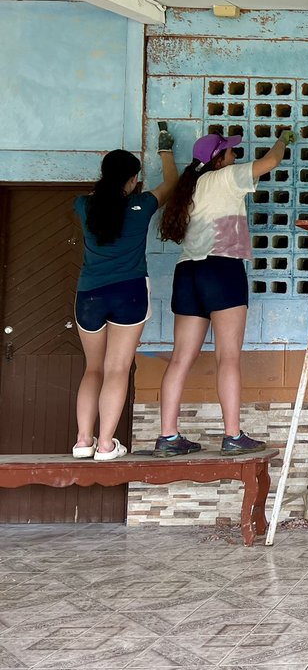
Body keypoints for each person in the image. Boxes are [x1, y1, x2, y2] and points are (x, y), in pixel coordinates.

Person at [155, 129, 293, 456]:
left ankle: (168, 437)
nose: (235, 156)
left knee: (179, 360)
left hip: (188, 272)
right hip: (222, 269)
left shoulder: (187, 187)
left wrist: (164, 151)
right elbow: (271, 161)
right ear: (219, 159)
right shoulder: (226, 177)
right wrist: (285, 139)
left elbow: (171, 175)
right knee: (227, 357)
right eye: (230, 152)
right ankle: (232, 436)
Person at [72, 128, 179, 461]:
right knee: (117, 368)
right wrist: (165, 152)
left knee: (93, 369)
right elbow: (171, 183)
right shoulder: (142, 205)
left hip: (89, 295)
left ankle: (82, 441)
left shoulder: (83, 205)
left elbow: (100, 196)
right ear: (133, 179)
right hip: (129, 293)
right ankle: (106, 445)